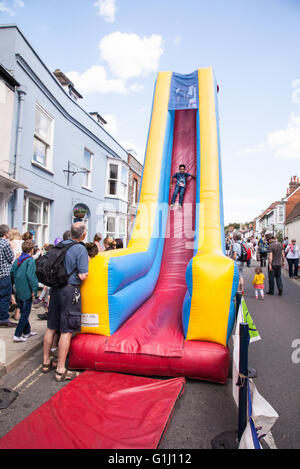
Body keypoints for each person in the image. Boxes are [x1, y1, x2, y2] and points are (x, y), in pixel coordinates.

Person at [42, 222, 89, 381]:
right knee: (67, 330)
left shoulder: (61, 245)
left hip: (55, 289)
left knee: (51, 327)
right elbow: (83, 275)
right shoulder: (80, 248)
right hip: (70, 291)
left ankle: (46, 362)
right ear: (83, 234)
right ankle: (61, 370)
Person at [10, 240, 39, 342]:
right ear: (32, 250)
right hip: (27, 289)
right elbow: (31, 276)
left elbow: (12, 272)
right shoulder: (30, 261)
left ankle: (27, 331)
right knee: (25, 313)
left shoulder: (18, 259)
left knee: (23, 310)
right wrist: (34, 290)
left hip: (18, 288)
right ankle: (17, 335)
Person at [0, 225, 16, 327]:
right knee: (5, 297)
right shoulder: (5, 243)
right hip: (4, 274)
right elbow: (10, 258)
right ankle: (3, 319)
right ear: (6, 233)